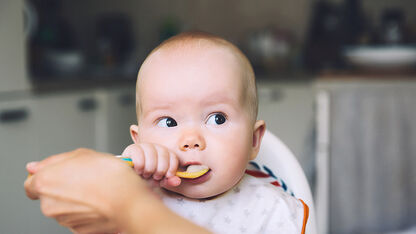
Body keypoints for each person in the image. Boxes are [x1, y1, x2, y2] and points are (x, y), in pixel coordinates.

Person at [120, 31, 309, 233]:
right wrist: (121, 181)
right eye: (168, 122)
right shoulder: (131, 200)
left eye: (217, 119)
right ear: (140, 141)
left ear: (253, 140)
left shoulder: (272, 210)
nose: (191, 140)